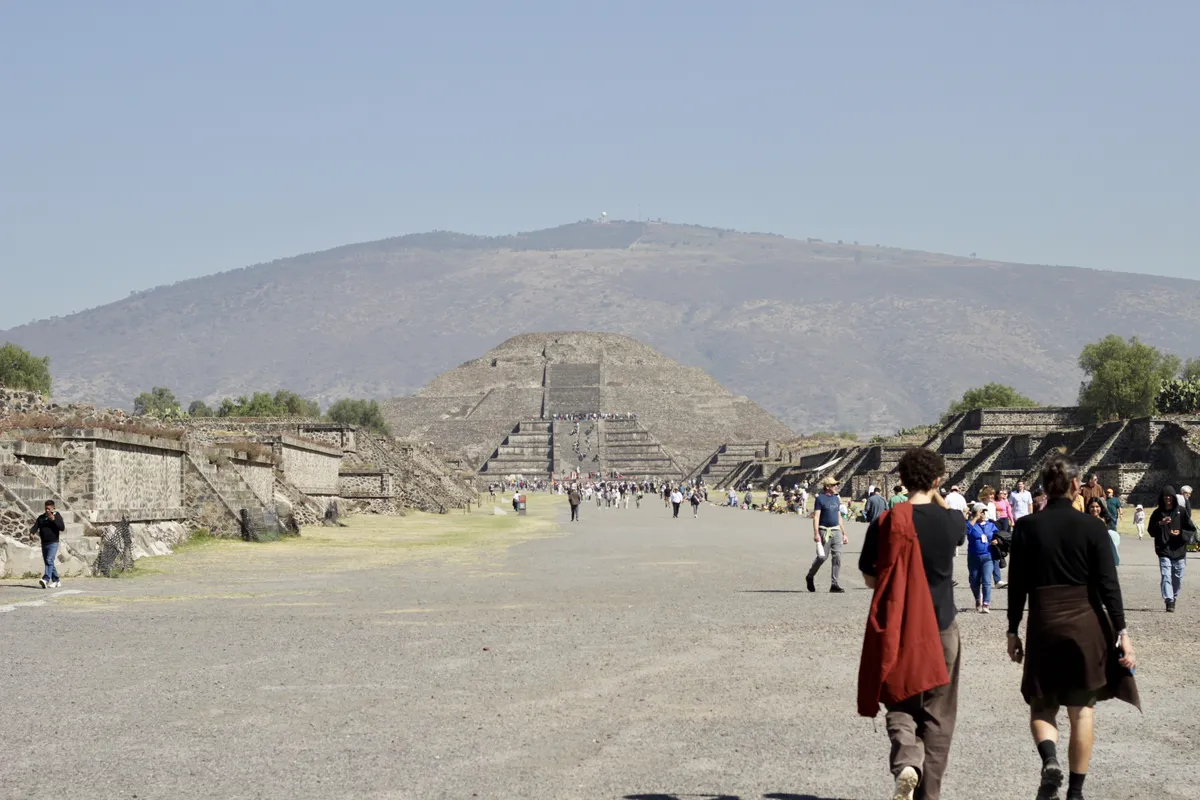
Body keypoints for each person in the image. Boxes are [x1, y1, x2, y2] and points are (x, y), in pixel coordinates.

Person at [1007, 457, 1139, 800]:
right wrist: (1122, 633)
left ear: (1043, 486)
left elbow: (1017, 585)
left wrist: (1012, 630)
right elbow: (1109, 585)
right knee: (1081, 712)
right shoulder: (1093, 527)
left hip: (1044, 623)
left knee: (1042, 706)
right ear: (1076, 485)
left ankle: (1050, 760)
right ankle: (1076, 792)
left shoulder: (1027, 527)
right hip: (1085, 623)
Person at [857, 448, 966, 800]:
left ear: (901, 481)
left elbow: (871, 578)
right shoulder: (951, 521)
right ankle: (928, 795)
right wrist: (938, 494)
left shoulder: (886, 522)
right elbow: (956, 527)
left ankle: (906, 759)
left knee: (899, 700)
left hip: (900, 626)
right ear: (938, 480)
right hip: (942, 626)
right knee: (938, 714)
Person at [1149, 486, 1197, 612]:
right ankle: (1169, 600)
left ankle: (1174, 596)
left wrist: (1181, 533)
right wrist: (1160, 523)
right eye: (1165, 496)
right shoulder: (1157, 513)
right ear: (1162, 498)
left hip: (1179, 549)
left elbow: (1191, 529)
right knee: (1166, 574)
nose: (1168, 498)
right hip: (1163, 548)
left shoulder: (1181, 511)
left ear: (1174, 498)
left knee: (1178, 576)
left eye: (1170, 496)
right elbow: (1151, 531)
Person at [807, 476, 847, 593]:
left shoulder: (836, 499)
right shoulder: (820, 499)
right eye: (834, 485)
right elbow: (816, 517)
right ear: (827, 486)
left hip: (836, 531)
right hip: (824, 531)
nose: (836, 487)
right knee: (822, 557)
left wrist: (844, 533)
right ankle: (810, 576)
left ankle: (834, 584)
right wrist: (816, 533)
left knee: (837, 557)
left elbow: (839, 517)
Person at [965, 503, 996, 613]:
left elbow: (998, 535)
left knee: (987, 581)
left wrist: (997, 541)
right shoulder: (971, 524)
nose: (983, 514)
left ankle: (986, 603)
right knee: (974, 580)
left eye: (984, 512)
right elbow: (965, 531)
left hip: (988, 556)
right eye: (981, 511)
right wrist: (975, 518)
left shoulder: (991, 525)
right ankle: (978, 599)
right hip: (974, 557)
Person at [34, 500, 65, 589]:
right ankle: (56, 580)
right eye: (46, 508)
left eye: (49, 508)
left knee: (49, 560)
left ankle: (46, 579)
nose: (47, 510)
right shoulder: (41, 517)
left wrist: (54, 520)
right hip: (44, 543)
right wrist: (32, 532)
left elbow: (62, 527)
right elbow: (36, 526)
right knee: (49, 562)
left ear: (53, 508)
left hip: (53, 542)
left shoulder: (57, 515)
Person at [1085, 497, 1116, 566]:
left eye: (1097, 506)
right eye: (1092, 507)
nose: (1094, 509)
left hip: (1103, 551)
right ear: (1088, 508)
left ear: (1101, 507)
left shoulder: (1107, 520)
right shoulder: (1084, 521)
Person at [1104, 488, 1122, 563]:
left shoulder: (1115, 500)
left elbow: (1119, 507)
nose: (1108, 494)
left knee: (1113, 529)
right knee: (1107, 529)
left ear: (1112, 493)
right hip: (1107, 516)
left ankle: (1114, 540)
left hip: (1114, 516)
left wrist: (1121, 514)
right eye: (1107, 492)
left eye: (1109, 492)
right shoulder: (1105, 500)